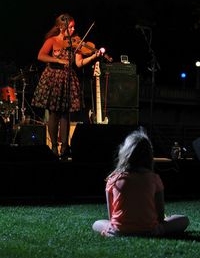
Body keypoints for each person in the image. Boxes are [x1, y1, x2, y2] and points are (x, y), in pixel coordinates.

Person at [92, 126, 189, 237]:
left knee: (96, 223)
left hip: (119, 231)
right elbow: (160, 218)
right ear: (149, 156)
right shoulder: (154, 178)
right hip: (150, 230)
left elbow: (111, 217)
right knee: (184, 220)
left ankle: (114, 231)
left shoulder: (113, 179)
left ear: (124, 153)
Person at [32, 12, 101, 158]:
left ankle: (65, 147)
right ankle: (54, 148)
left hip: (68, 79)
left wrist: (94, 55)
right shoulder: (52, 41)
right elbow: (41, 55)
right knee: (53, 113)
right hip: (53, 79)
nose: (73, 30)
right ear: (62, 27)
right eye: (70, 27)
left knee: (65, 114)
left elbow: (79, 63)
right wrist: (57, 60)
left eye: (73, 27)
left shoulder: (74, 43)